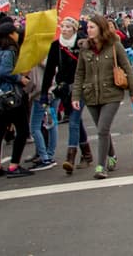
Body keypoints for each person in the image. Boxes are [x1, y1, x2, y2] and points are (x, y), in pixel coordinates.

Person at [72, 15, 133, 180]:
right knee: (103, 130)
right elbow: (80, 73)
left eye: (92, 27)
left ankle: (101, 166)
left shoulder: (114, 45)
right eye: (87, 27)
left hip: (111, 94)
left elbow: (127, 69)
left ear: (101, 28)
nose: (88, 30)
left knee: (103, 129)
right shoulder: (85, 48)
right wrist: (76, 95)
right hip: (91, 95)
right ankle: (112, 155)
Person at [41, 16, 93, 173]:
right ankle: (87, 154)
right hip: (65, 88)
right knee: (76, 121)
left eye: (68, 27)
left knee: (74, 120)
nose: (64, 29)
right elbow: (49, 70)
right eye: (62, 26)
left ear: (75, 29)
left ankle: (70, 156)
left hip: (81, 87)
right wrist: (44, 93)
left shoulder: (82, 43)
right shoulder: (56, 46)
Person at [0, 22, 33, 178]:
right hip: (11, 95)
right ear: (11, 35)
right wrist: (20, 78)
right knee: (22, 130)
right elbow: (5, 72)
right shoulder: (10, 51)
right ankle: (14, 165)